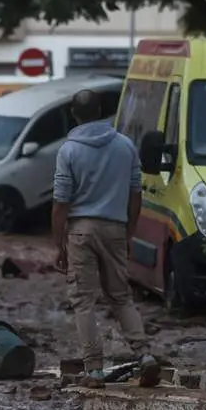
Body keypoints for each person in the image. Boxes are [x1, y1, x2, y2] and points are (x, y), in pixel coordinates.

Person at [52, 90, 159, 388]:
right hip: (115, 227)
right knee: (121, 297)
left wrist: (58, 244)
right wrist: (129, 232)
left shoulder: (68, 151)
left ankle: (95, 371)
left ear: (74, 114)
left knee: (84, 302)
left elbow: (60, 203)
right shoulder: (125, 146)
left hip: (81, 230)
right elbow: (136, 194)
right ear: (100, 110)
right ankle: (145, 355)